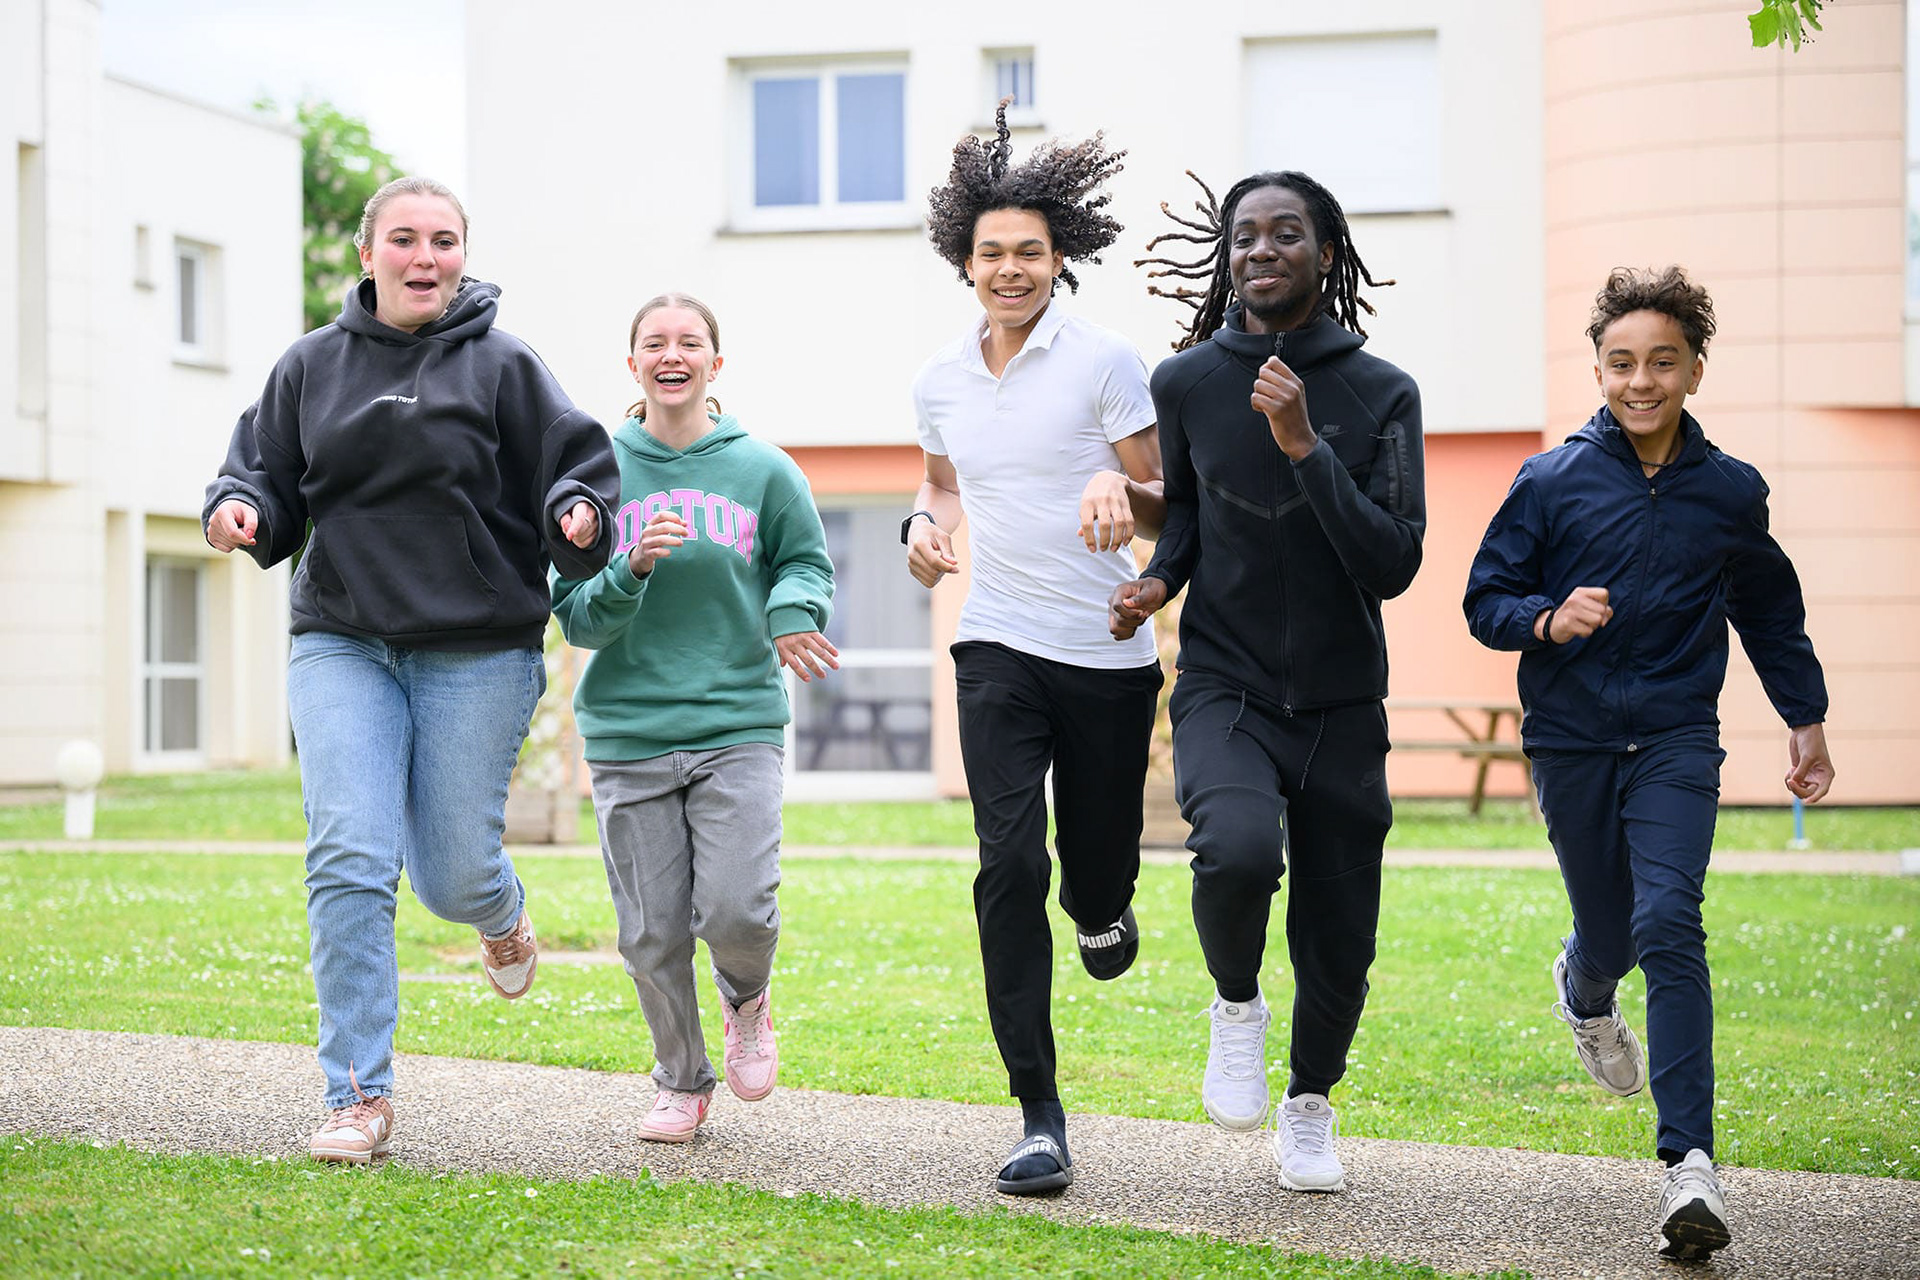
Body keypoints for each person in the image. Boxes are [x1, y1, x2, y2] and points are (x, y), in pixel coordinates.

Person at [203, 176, 620, 1165]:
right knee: (349, 850)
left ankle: (502, 914)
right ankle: (357, 1094)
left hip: (477, 644)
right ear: (368, 253)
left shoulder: (505, 365)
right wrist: (243, 506)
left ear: (462, 256)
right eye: (404, 239)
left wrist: (578, 512)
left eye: (442, 240)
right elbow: (261, 469)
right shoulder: (310, 365)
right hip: (343, 637)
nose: (423, 257)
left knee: (450, 871)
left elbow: (574, 461)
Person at [1463, 265, 1833, 1261]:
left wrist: (1806, 718)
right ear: (1597, 368)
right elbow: (1484, 600)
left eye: (1661, 361)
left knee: (1669, 918)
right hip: (1573, 740)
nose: (1640, 379)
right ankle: (1584, 991)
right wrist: (1548, 616)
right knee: (1610, 935)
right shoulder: (1548, 481)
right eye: (1621, 361)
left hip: (1676, 737)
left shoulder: (1727, 491)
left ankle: (1690, 1165)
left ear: (1695, 370)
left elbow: (1769, 609)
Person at [1111, 169, 1424, 1193]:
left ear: (1325, 253)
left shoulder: (1382, 392)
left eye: (1285, 234)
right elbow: (1195, 522)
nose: (1260, 251)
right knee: (1237, 852)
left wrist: (1304, 447)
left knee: (1339, 927)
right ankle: (1236, 1003)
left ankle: (1310, 1102)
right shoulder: (1190, 381)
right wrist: (1153, 580)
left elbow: (1391, 561)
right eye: (1244, 237)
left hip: (1341, 701)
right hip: (1226, 683)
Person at [907, 101, 1166, 1196]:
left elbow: (1170, 508)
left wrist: (1122, 487)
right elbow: (943, 480)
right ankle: (1038, 1112)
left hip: (1107, 653)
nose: (1009, 269)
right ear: (964, 261)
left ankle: (1103, 905)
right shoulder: (940, 380)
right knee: (1008, 862)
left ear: (1062, 259)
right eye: (991, 253)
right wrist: (926, 527)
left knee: (1090, 868)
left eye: (1029, 252)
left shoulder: (1106, 361)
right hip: (998, 645)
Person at [552, 293, 836, 1144]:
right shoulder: (594, 474)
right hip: (629, 733)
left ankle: (747, 999)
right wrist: (629, 567)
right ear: (631, 363)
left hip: (736, 724)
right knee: (650, 933)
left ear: (717, 362)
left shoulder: (763, 469)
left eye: (690, 342)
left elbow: (806, 564)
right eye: (654, 343)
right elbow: (575, 616)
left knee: (739, 909)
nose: (672, 355)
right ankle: (680, 1080)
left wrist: (793, 611)